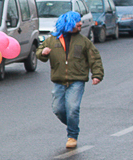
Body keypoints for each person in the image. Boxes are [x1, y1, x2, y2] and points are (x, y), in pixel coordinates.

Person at [37, 11, 104, 149]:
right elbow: (40, 52)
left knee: (73, 108)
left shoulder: (84, 41)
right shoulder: (52, 40)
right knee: (58, 109)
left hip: (77, 81)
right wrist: (42, 53)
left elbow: (95, 58)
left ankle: (72, 135)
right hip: (59, 81)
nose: (80, 23)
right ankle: (73, 123)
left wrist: (97, 75)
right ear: (69, 23)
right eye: (77, 21)